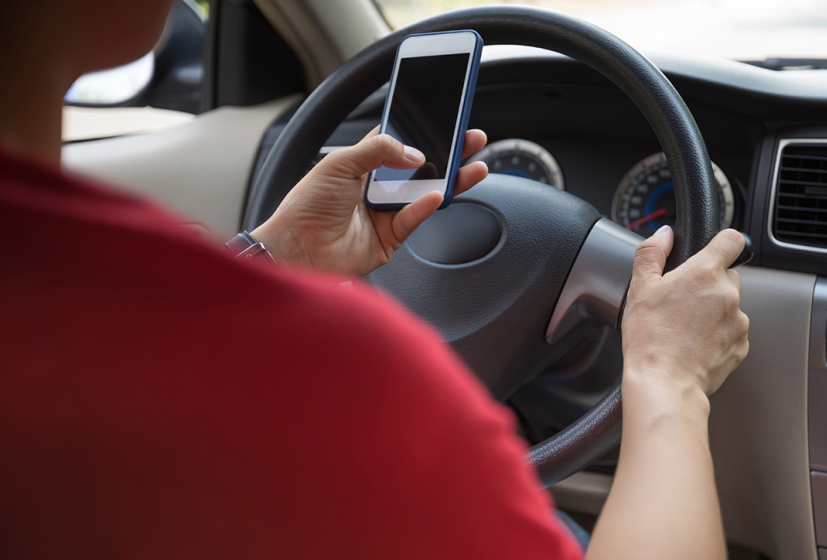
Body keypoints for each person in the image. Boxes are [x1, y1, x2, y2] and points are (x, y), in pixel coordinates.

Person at [0, 1, 749, 559]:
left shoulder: (93, 334)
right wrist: (667, 377)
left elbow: (142, 365)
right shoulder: (354, 384)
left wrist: (272, 257)